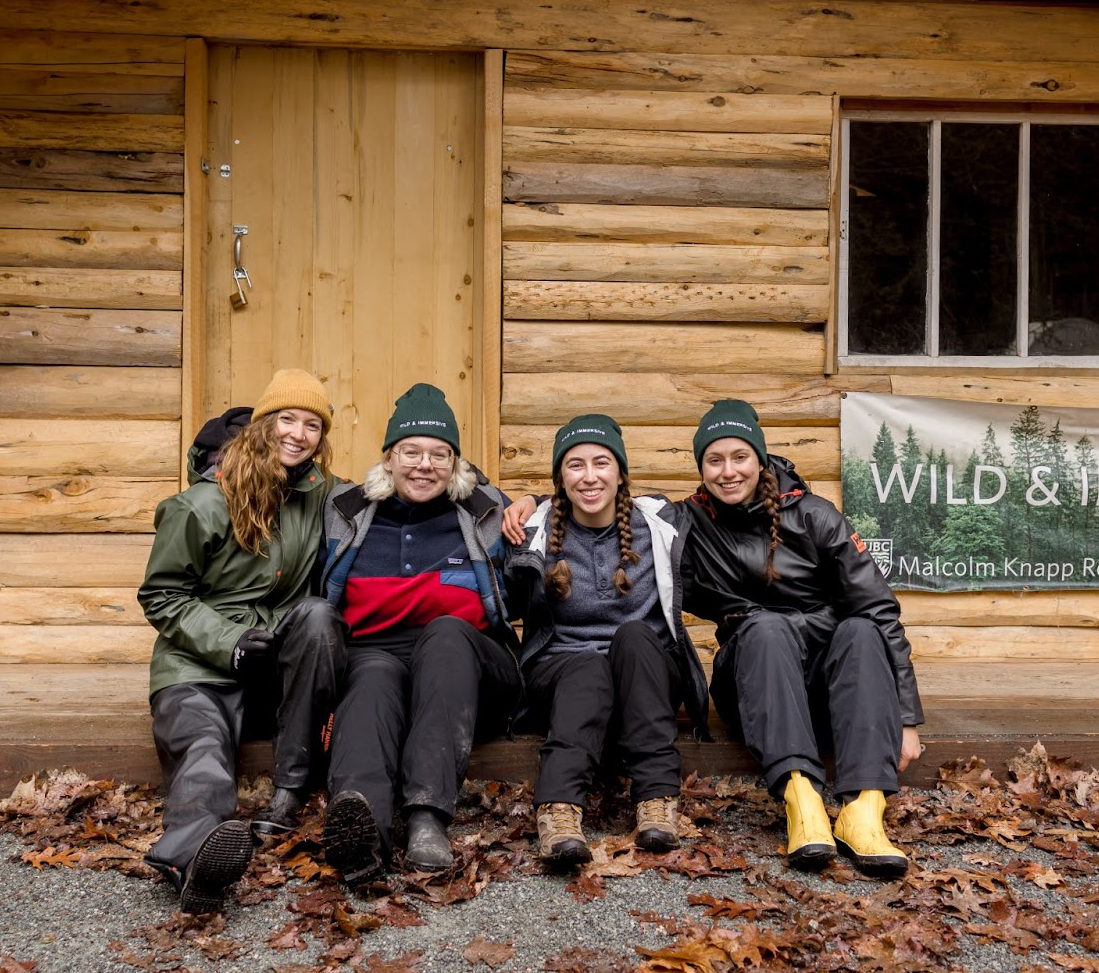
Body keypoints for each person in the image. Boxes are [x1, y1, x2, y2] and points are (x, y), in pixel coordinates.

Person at [684, 399, 923, 877]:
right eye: (715, 460)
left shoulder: (815, 516)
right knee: (766, 626)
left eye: (739, 457)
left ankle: (864, 810)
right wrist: (529, 503)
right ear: (701, 467)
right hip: (754, 684)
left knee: (860, 628)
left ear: (760, 458)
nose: (728, 471)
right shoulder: (687, 522)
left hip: (826, 688)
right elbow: (602, 502)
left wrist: (906, 718)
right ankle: (803, 799)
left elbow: (879, 609)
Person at [138, 369, 345, 914]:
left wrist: (517, 502)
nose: (299, 434)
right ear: (262, 425)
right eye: (287, 420)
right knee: (203, 752)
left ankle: (290, 790)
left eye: (312, 425)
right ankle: (194, 857)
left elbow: (405, 483)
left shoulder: (321, 494)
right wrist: (229, 641)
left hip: (275, 664)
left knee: (320, 616)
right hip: (197, 668)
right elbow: (161, 597)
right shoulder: (199, 506)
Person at [316, 384, 522, 882]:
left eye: (439, 454)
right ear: (388, 459)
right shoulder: (344, 508)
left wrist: (532, 501)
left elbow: (568, 509)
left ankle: (427, 819)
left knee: (447, 632)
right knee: (367, 685)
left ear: (456, 465)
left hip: (470, 664)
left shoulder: (487, 508)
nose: (424, 465)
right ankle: (363, 832)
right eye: (410, 452)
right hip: (377, 652)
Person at [504, 415, 709, 865]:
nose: (590, 476)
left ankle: (657, 802)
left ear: (620, 472)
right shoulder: (535, 528)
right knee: (586, 664)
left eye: (602, 462)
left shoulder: (659, 521)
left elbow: (734, 486)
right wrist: (526, 499)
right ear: (561, 477)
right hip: (563, 671)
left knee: (635, 635)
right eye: (575, 465)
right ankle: (558, 811)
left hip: (644, 670)